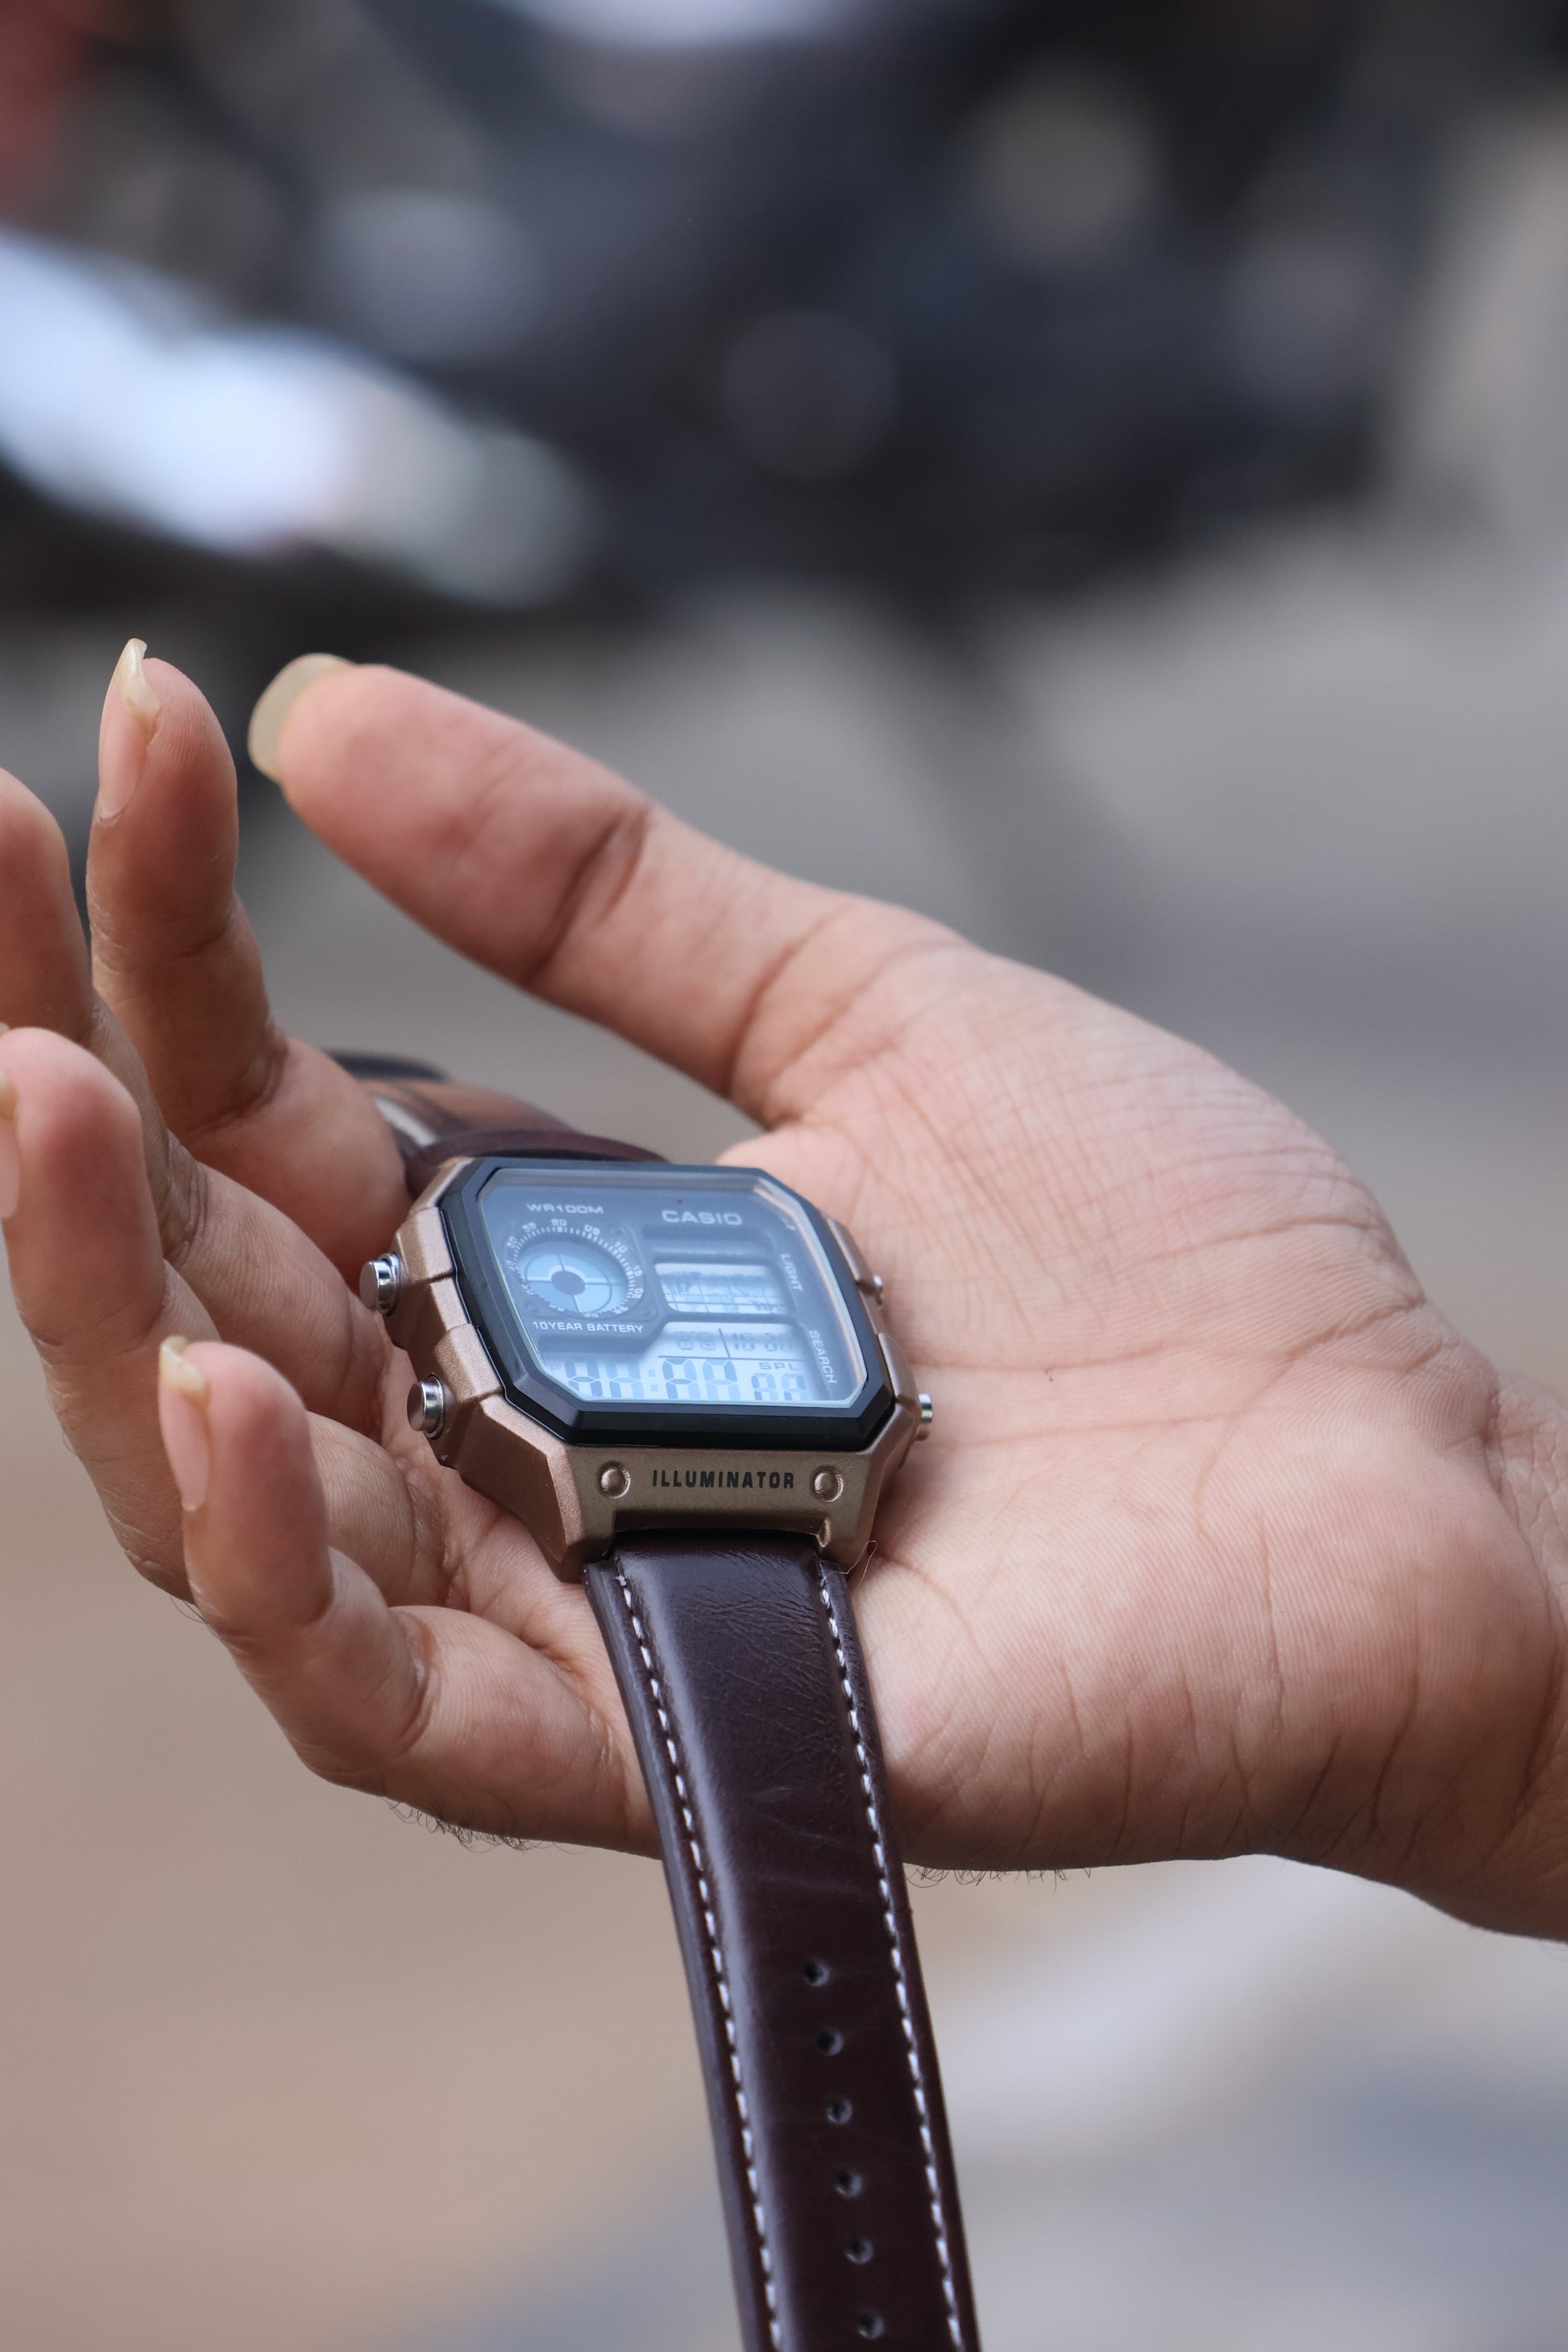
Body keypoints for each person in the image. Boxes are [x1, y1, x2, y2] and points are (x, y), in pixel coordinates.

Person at [0, 642, 1562, 1942]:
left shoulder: (731, 1307)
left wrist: (1517, 1654)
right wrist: (1509, 1661)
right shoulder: (672, 1280)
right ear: (437, 1344)